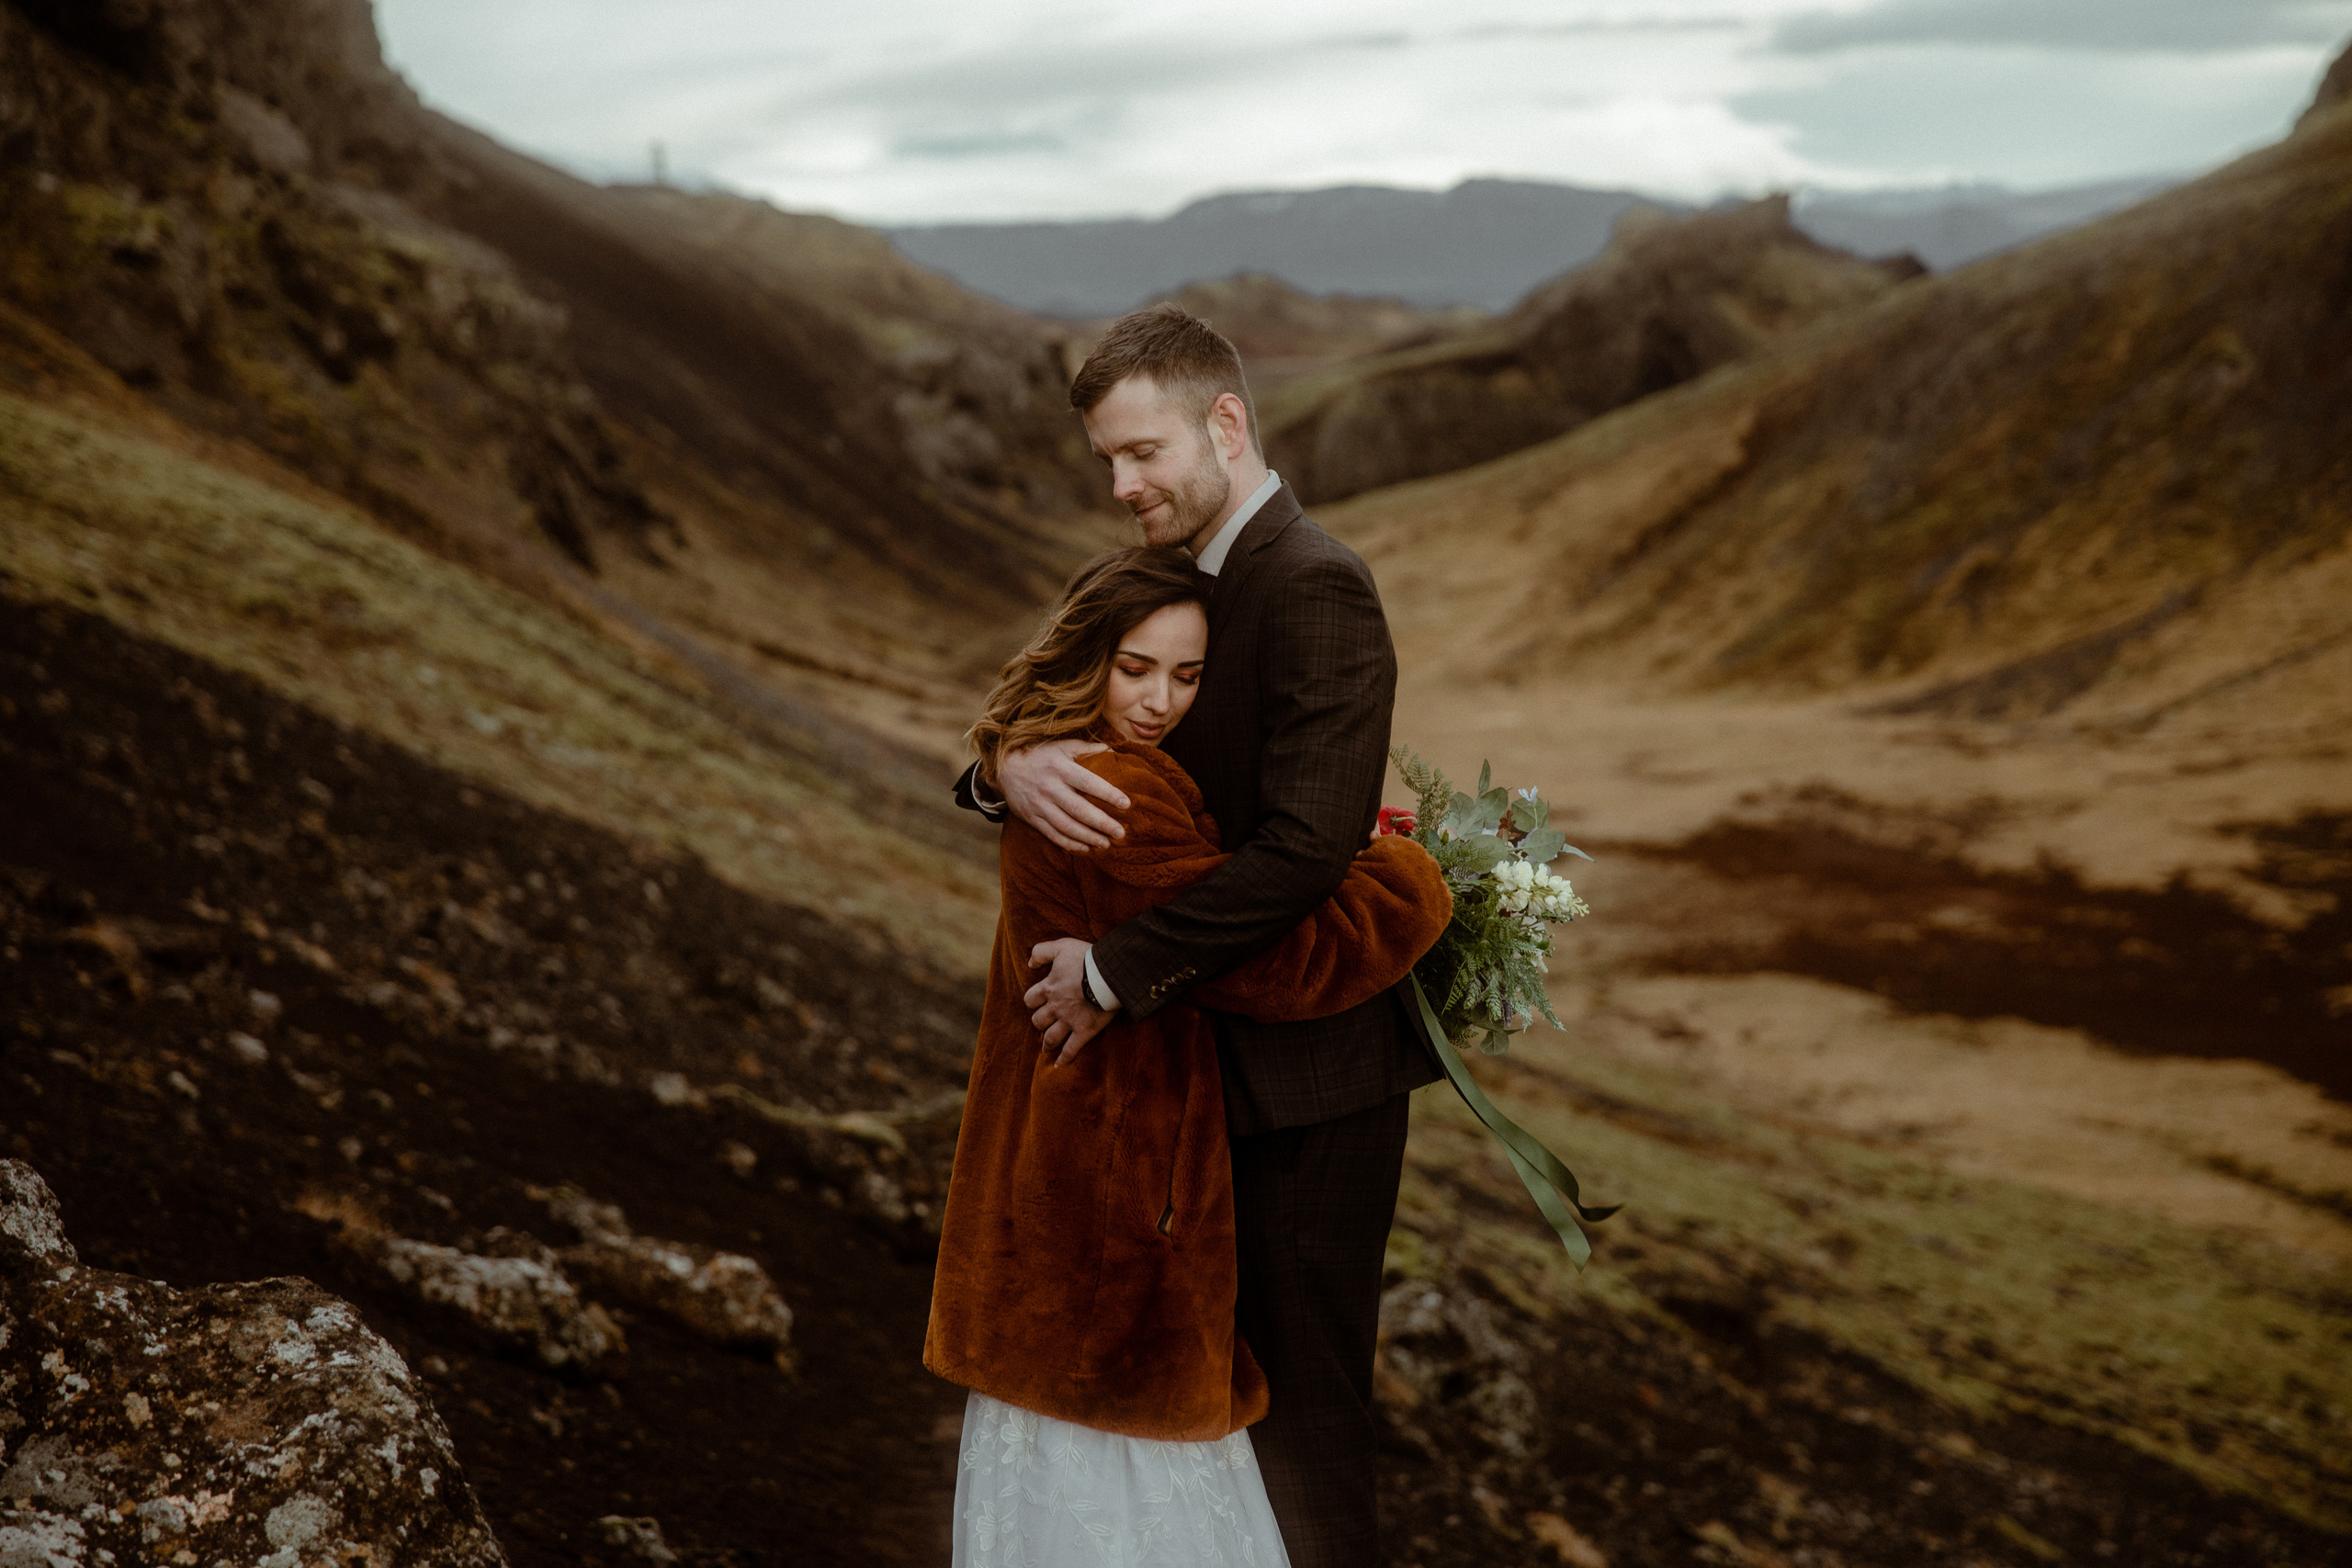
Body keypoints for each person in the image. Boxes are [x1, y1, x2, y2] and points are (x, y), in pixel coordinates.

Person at [952, 305, 1440, 1565]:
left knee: (1307, 1412)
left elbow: (1307, 850)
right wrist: (1006, 766)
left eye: (1143, 453)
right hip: (1203, 1082)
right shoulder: (1179, 581)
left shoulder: (1315, 581)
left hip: (1308, 1085)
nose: (1123, 486)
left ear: (1225, 422)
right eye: (1107, 463)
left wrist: (1116, 970)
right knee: (1224, 1415)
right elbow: (1071, 695)